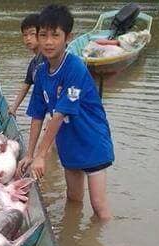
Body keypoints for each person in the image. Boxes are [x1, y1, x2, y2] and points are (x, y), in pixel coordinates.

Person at [18, 5, 114, 220]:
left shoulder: (75, 67)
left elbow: (60, 113)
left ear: (67, 37)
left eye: (55, 35)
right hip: (68, 141)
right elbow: (37, 115)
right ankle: (74, 242)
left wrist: (42, 156)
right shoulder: (41, 71)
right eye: (43, 35)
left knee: (98, 206)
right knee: (73, 199)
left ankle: (105, 245)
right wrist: (30, 154)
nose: (48, 42)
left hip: (92, 141)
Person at [8, 13, 44, 117]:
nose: (28, 38)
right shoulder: (33, 64)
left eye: (32, 34)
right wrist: (13, 108)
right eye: (25, 35)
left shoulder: (49, 59)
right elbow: (25, 87)